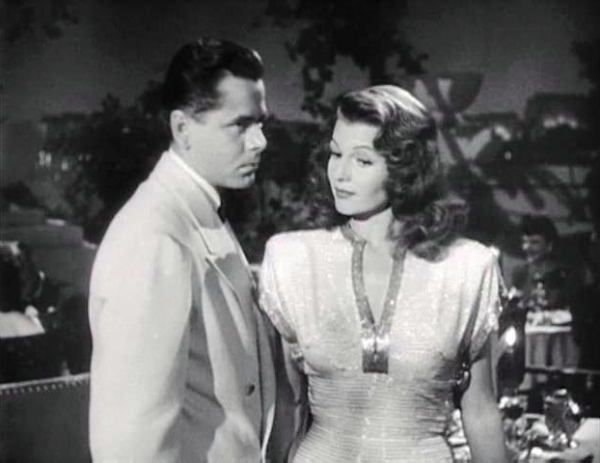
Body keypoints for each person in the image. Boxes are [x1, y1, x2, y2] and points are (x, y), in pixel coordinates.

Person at [259, 85, 508, 462]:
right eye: (336, 154)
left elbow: (481, 411)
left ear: (406, 167)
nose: (340, 174)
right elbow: (287, 404)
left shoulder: (466, 268)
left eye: (362, 161)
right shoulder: (294, 259)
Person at [89, 37, 292, 462]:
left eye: (260, 124)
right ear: (182, 129)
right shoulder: (153, 238)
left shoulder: (196, 212)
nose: (260, 142)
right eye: (240, 125)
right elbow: (133, 442)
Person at [510, 214, 571, 312]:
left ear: (549, 245)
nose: (527, 247)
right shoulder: (520, 272)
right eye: (524, 242)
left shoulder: (563, 276)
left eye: (534, 242)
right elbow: (512, 307)